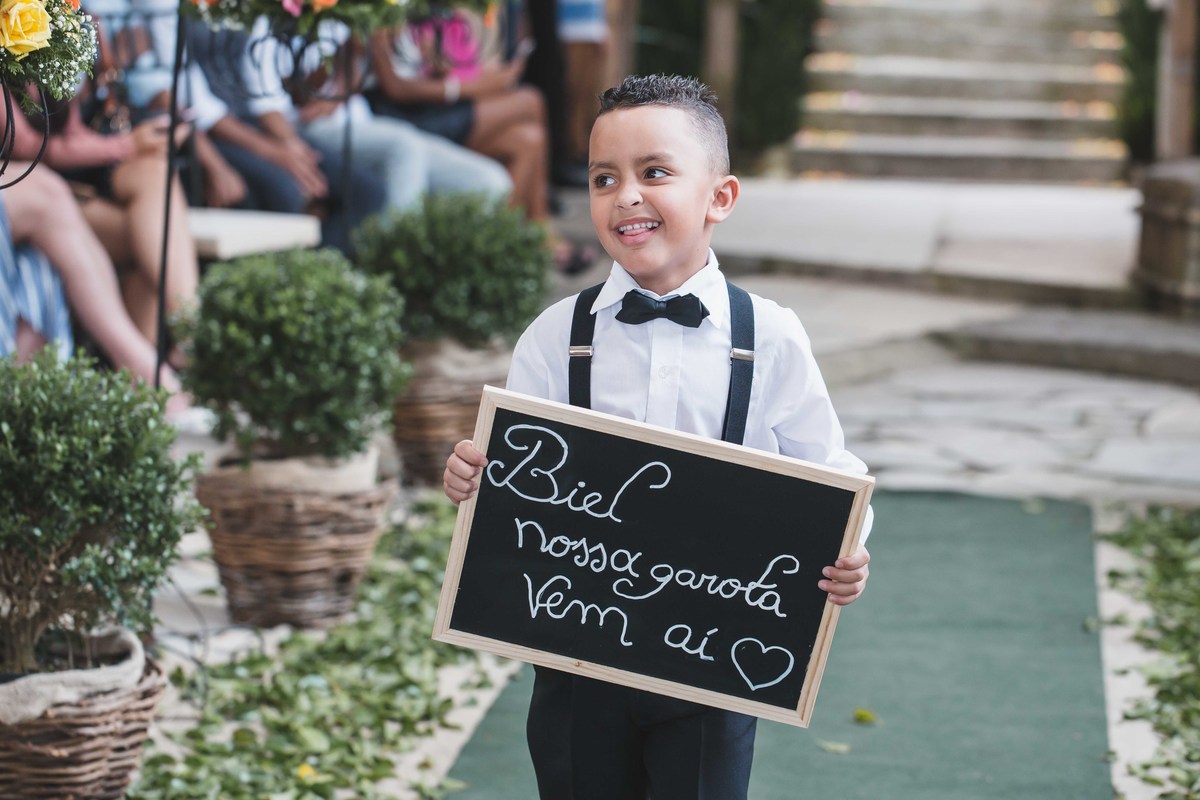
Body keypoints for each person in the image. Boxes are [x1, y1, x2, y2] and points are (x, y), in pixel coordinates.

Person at [442, 75, 873, 799]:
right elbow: (511, 481)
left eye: (656, 173)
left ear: (720, 198)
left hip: (712, 663)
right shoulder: (556, 339)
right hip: (576, 656)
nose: (627, 196)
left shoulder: (770, 337)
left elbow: (828, 468)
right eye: (604, 178)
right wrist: (473, 477)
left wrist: (852, 550)